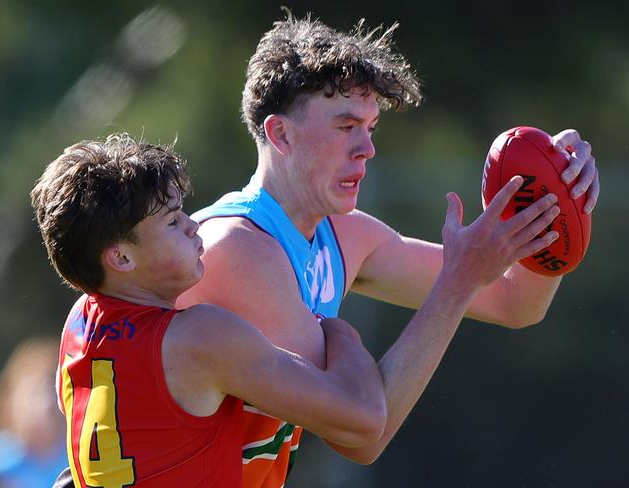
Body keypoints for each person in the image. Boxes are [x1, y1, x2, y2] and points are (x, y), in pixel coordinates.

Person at [175, 13, 600, 487]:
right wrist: (456, 282)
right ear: (280, 135)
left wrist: (558, 205)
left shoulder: (343, 235)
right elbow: (359, 436)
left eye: (371, 128)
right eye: (345, 126)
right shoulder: (236, 249)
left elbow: (514, 301)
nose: (366, 149)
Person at [30, 133, 389, 487]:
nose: (192, 225)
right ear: (121, 258)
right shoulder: (200, 336)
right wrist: (338, 331)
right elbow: (364, 420)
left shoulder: (78, 321)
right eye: (172, 222)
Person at [0, 337, 66, 488]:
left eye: (52, 390)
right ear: (10, 400)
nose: (47, 403)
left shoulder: (81, 461)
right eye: (34, 392)